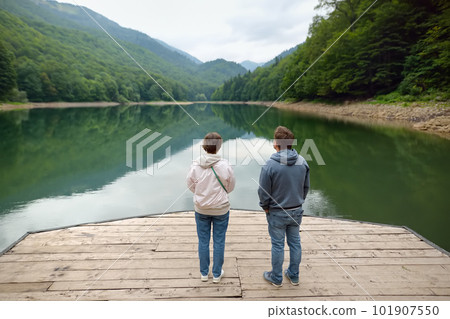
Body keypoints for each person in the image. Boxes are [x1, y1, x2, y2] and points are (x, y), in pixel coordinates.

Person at [258, 126, 310, 287]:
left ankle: (276, 277)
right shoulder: (302, 162)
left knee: (278, 244)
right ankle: (294, 276)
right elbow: (306, 187)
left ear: (276, 144)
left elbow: (263, 192)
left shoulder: (269, 165)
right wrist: (298, 201)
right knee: (295, 243)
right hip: (296, 210)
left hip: (277, 212)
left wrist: (265, 207)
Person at [186, 132, 235, 283]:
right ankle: (216, 274)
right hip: (221, 208)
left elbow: (190, 185)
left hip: (201, 209)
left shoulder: (195, 166)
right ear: (219, 147)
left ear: (205, 146)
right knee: (219, 241)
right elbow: (231, 186)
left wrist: (201, 194)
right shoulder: (225, 165)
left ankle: (203, 273)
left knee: (203, 240)